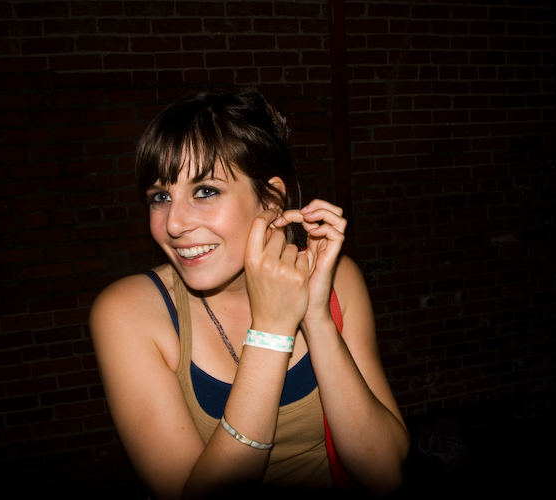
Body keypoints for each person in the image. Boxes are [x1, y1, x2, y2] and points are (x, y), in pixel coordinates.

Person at [90, 90, 409, 499]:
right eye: (161, 197)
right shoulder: (129, 313)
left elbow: (385, 474)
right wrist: (271, 331)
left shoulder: (336, 279)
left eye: (205, 191)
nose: (174, 224)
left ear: (271, 198)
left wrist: (316, 314)